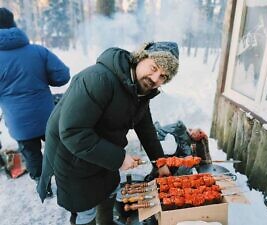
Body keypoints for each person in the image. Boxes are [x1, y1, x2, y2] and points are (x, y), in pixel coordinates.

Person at [37, 41, 179, 225]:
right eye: (154, 68)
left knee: (108, 196)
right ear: (140, 58)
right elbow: (73, 132)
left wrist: (160, 163)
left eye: (163, 77)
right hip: (74, 159)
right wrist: (119, 159)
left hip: (104, 156)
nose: (155, 78)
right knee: (86, 212)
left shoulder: (140, 90)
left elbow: (146, 128)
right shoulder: (98, 79)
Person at [0, 8, 70, 195]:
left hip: (19, 121)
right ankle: (68, 182)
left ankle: (43, 185)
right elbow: (62, 76)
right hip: (47, 115)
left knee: (31, 154)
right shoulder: (38, 51)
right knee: (59, 149)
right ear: (14, 24)